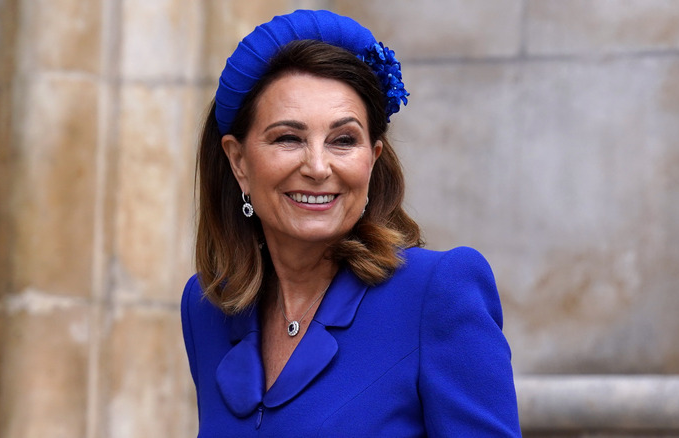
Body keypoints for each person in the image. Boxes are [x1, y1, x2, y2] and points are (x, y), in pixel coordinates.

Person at [181, 9, 520, 437]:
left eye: (343, 140)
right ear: (239, 162)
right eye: (289, 138)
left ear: (373, 161)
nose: (319, 167)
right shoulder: (207, 305)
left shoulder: (438, 292)